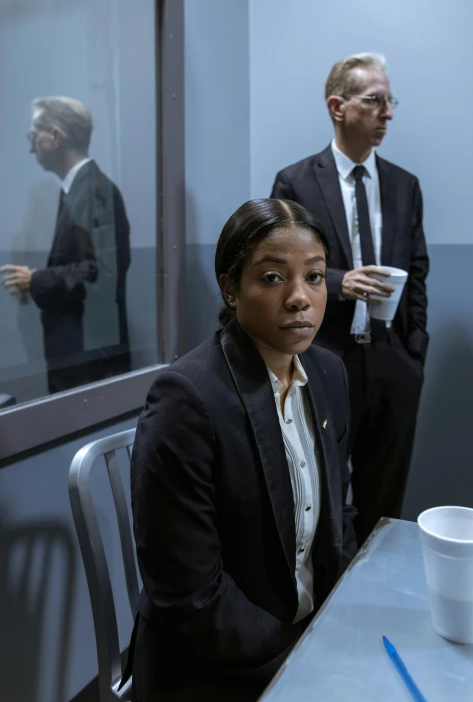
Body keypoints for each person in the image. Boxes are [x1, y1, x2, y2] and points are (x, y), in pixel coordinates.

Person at [127, 199, 357, 702]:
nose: (300, 298)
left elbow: (340, 514)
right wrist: (302, 656)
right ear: (231, 289)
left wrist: (343, 620)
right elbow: (189, 595)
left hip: (308, 634)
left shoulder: (329, 373)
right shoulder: (186, 400)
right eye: (273, 278)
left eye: (315, 277)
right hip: (214, 664)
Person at [271, 53, 429, 545]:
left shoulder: (405, 185)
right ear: (338, 106)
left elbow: (418, 271)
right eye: (375, 100)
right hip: (324, 359)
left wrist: (414, 349)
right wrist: (339, 281)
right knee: (323, 492)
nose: (388, 112)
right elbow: (279, 266)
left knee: (386, 501)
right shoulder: (296, 181)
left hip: (393, 360)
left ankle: (376, 600)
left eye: (390, 100)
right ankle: (329, 607)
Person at [0, 96, 131, 394]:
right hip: (79, 356)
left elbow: (102, 272)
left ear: (56, 136)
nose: (30, 146)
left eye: (33, 136)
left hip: (88, 361)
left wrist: (36, 280)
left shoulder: (96, 191)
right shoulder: (77, 190)